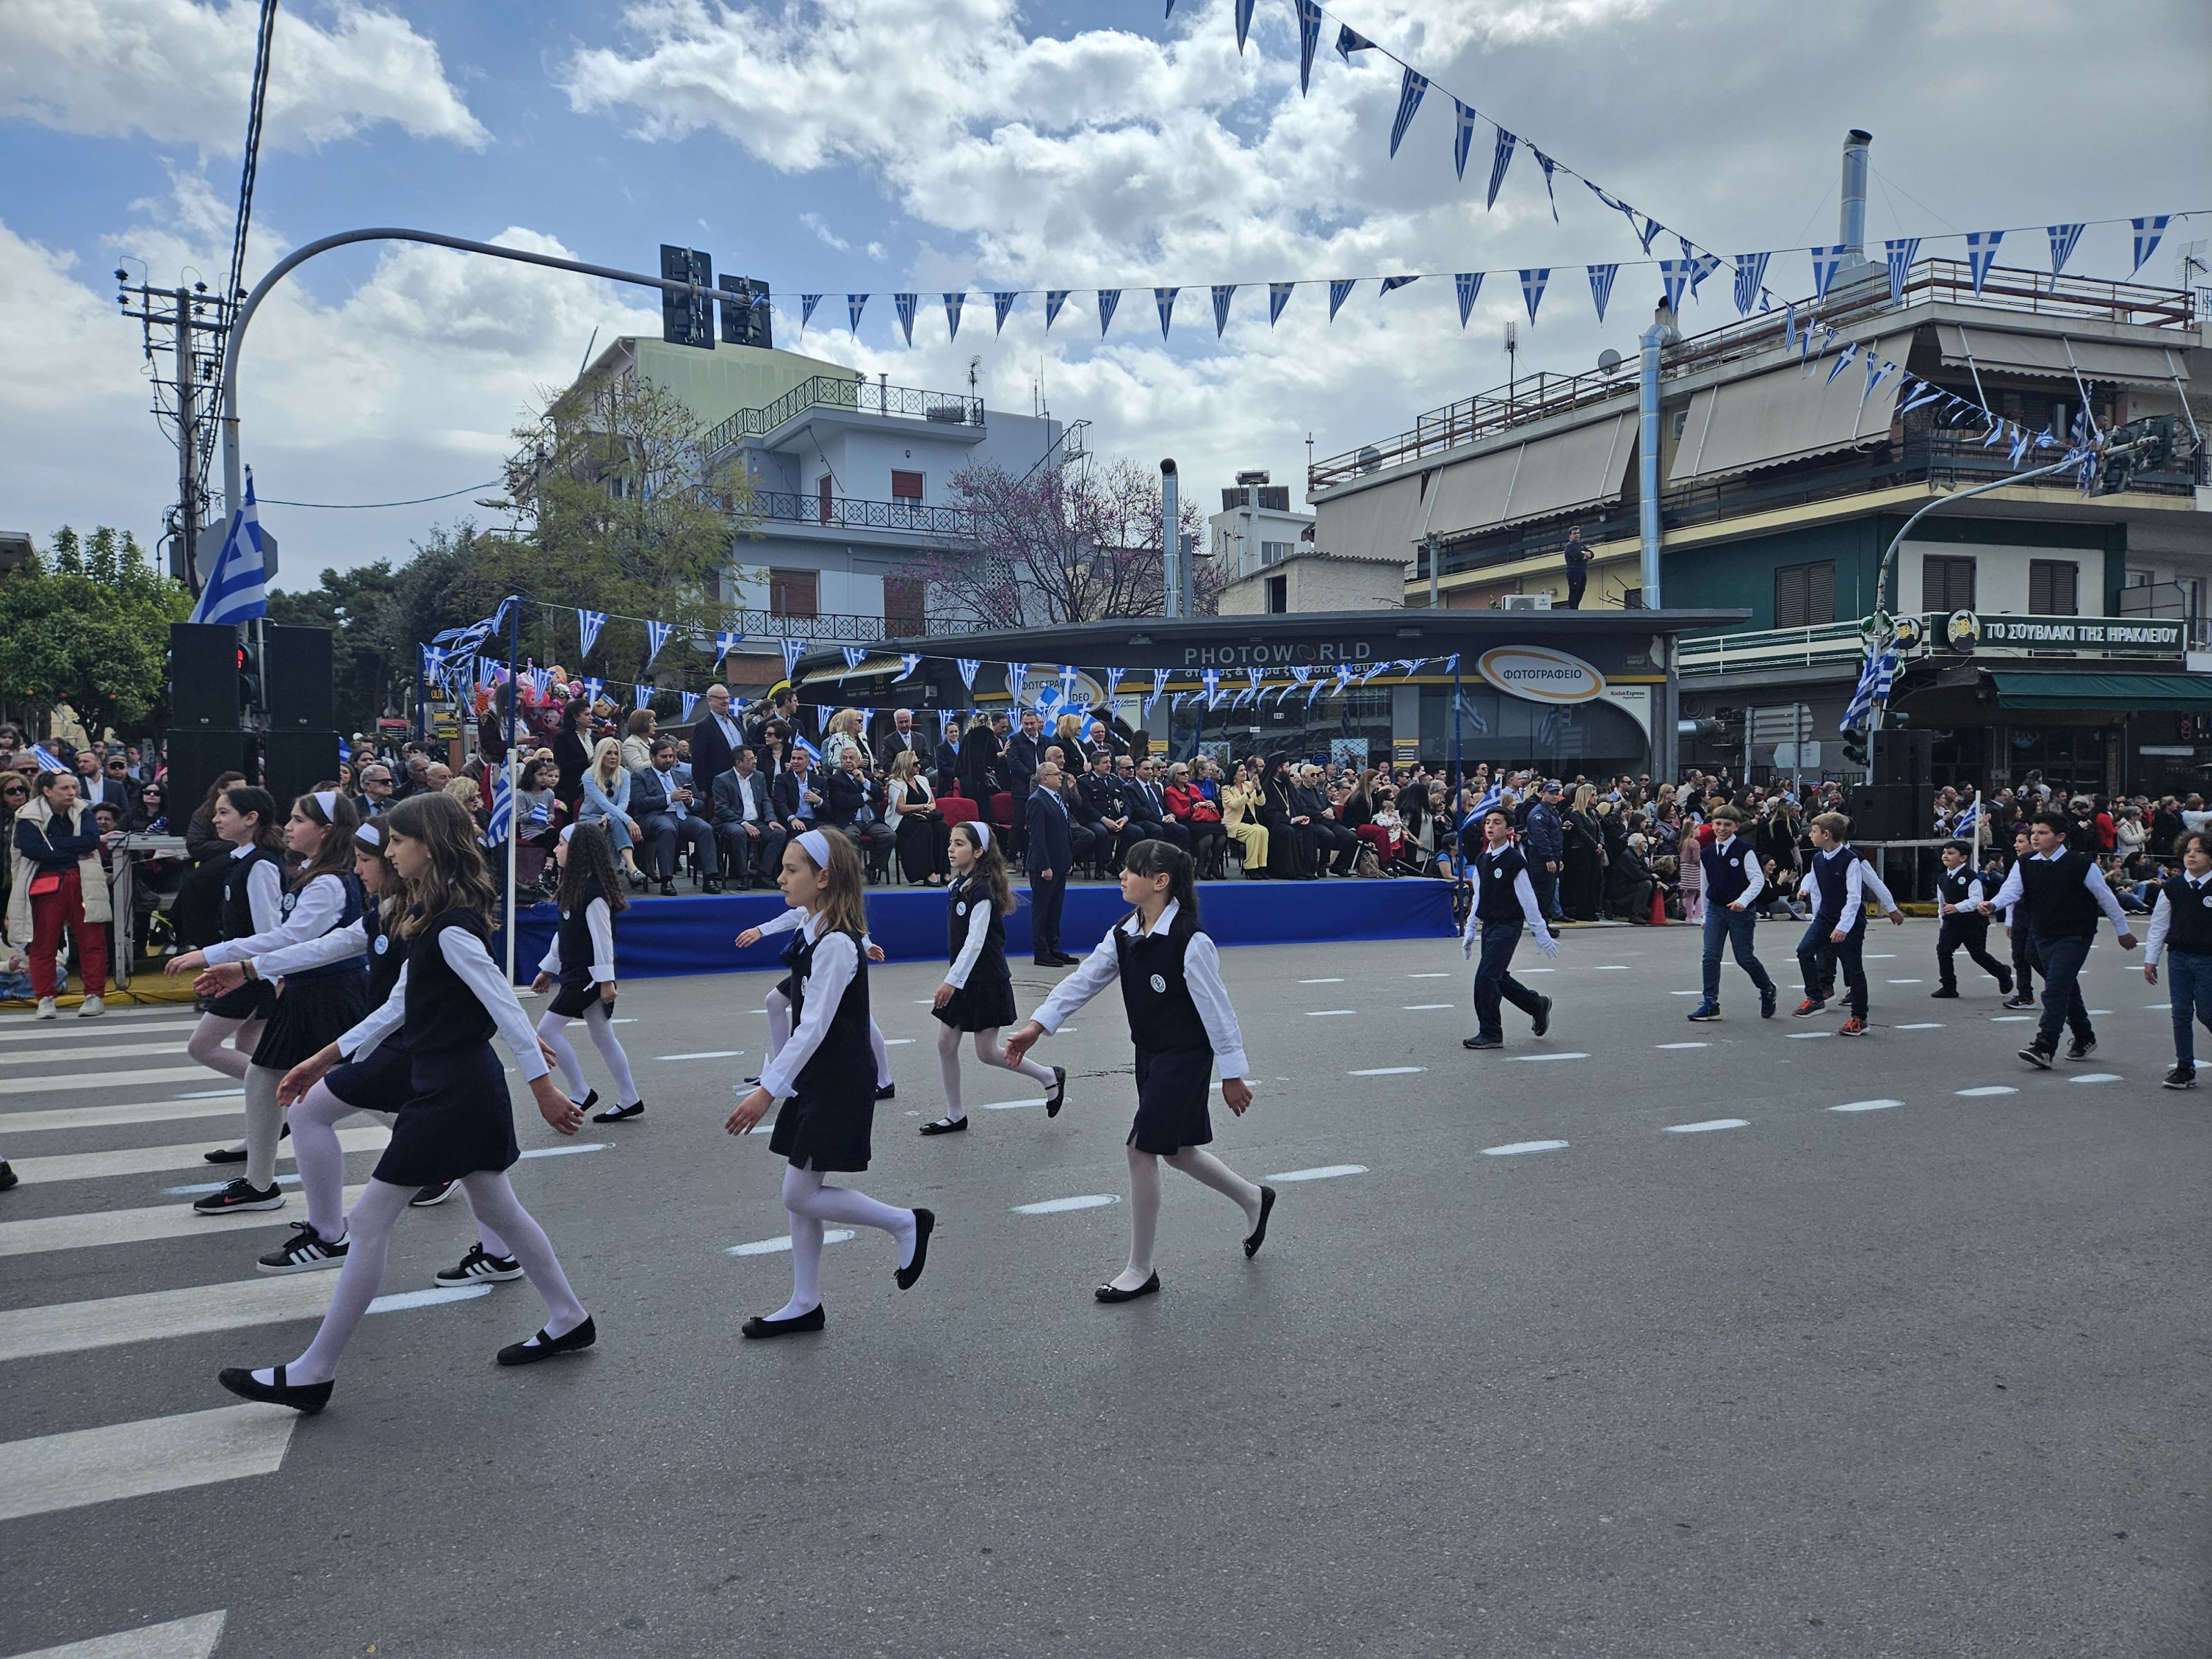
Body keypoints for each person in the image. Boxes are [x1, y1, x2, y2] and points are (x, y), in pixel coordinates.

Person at [218, 792, 594, 1412]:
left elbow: (504, 1003)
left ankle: (314, 1372)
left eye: (397, 842)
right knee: (500, 1211)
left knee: (369, 1222)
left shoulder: (450, 926)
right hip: (450, 1080)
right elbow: (401, 1005)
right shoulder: (430, 915)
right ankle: (569, 1316)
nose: (387, 853)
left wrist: (543, 1088)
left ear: (430, 846)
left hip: (454, 1089)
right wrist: (325, 1057)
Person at [200, 821, 516, 1284]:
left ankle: (329, 1236)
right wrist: (248, 969)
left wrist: (326, 1055)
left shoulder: (434, 916)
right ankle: (504, 1257)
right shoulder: (392, 911)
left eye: (374, 855)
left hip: (416, 1045)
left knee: (311, 1112)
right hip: (414, 1046)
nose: (367, 865)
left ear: (422, 852)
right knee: (475, 1163)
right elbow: (329, 945)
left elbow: (427, 999)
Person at [1006, 840, 1273, 1302]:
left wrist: (1232, 1075)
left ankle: (1140, 1269)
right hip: (1149, 1055)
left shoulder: (1191, 942)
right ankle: (1254, 1198)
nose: (1122, 877)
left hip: (1185, 1057)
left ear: (1160, 882)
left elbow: (1219, 1013)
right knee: (1176, 1152)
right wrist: (1037, 1025)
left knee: (1139, 1149)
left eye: (1131, 871)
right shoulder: (1126, 932)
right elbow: (1085, 978)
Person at [725, 832, 935, 1338]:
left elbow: (814, 1026)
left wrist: (767, 1088)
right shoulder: (816, 927)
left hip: (838, 1079)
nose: (781, 877)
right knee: (804, 1188)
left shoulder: (837, 943)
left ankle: (905, 1222)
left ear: (823, 878)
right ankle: (804, 1302)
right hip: (817, 1078)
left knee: (798, 1194)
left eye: (792, 869)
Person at [170, 789, 371, 1212]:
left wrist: (216, 956)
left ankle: (435, 1154)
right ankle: (258, 1184)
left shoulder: (329, 881)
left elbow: (288, 937)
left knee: (354, 1085)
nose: (290, 827)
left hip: (328, 993)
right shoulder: (316, 873)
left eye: (300, 820)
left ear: (326, 830)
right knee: (263, 1078)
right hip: (309, 989)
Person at [920, 823, 1068, 1135]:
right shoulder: (959, 884)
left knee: (986, 1052)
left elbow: (975, 941)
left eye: (959, 844)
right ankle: (955, 1114)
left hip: (985, 980)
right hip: (963, 978)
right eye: (950, 842)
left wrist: (951, 981)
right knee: (946, 1043)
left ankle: (1048, 1076)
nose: (950, 848)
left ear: (978, 852)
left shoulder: (983, 891)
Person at [1978, 810, 2139, 1070]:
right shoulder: (2026, 863)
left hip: (2075, 934)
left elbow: (2106, 898)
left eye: (2043, 833)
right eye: (2034, 833)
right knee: (2062, 984)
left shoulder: (2081, 865)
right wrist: (1993, 903)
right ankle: (2084, 1036)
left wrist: (2123, 930)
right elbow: (2011, 889)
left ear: (2060, 837)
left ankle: (2044, 1046)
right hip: (2042, 933)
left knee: (2054, 990)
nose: (2036, 837)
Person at [178, 787, 286, 1110]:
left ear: (251, 818)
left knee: (202, 1047)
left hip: (249, 974)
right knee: (251, 1049)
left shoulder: (260, 865)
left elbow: (270, 931)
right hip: (248, 971)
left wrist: (271, 974)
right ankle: (267, 1124)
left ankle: (287, 1093)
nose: (215, 819)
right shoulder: (239, 861)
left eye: (224, 813)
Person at [532, 823, 645, 1123]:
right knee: (603, 1036)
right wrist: (548, 968)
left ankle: (580, 1090)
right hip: (574, 972)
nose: (555, 850)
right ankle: (629, 1098)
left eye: (560, 844)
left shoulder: (594, 893)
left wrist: (606, 981)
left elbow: (603, 939)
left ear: (579, 851)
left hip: (589, 976)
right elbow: (564, 934)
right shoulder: (573, 887)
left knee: (546, 1031)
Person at [1788, 812, 1904, 1038]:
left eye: (1813, 831)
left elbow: (1855, 897)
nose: (1809, 835)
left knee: (1853, 969)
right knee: (1804, 951)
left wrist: (1846, 925)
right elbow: (1814, 880)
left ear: (1826, 834)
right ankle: (1816, 997)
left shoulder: (1851, 859)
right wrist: (1807, 893)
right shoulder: (1818, 858)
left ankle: (1860, 1018)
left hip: (1849, 921)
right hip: (1824, 917)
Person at [9, 769, 111, 1019]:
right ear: (47, 790)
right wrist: (71, 850)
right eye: (65, 788)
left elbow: (90, 840)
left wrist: (54, 844)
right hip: (46, 881)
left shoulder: (84, 810)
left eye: (73, 787)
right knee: (43, 943)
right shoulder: (27, 815)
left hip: (83, 879)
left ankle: (94, 995)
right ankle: (44, 997)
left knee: (92, 941)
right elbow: (33, 850)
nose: (72, 793)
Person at [1459, 805, 1560, 1050]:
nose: (1491, 827)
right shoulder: (1483, 860)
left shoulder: (1515, 860)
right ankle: (1536, 1004)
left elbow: (1528, 899)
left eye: (1497, 823)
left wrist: (1541, 932)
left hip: (1508, 925)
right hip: (1491, 925)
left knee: (1485, 978)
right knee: (1498, 977)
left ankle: (1491, 1032)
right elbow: (1479, 896)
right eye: (1488, 823)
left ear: (1509, 829)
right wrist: (1471, 928)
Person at [1687, 803, 1779, 1022]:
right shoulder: (1707, 853)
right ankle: (1710, 1002)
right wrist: (1705, 915)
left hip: (1740, 911)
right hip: (1717, 910)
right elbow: (1705, 885)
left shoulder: (1744, 850)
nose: (1721, 828)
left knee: (1744, 957)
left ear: (1736, 826)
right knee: (1710, 956)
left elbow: (1757, 879)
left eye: (1727, 825)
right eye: (1718, 824)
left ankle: (1767, 988)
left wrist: (1743, 900)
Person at [2142, 829, 2212, 1089]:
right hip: (2179, 957)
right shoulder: (2172, 888)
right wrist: (2151, 959)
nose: (2192, 856)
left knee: (2207, 1012)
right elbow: (2159, 926)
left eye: (2200, 851)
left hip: (2208, 958)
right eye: (2187, 851)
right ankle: (2185, 1066)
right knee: (2180, 1012)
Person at [632, 737, 721, 894]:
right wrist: (669, 798)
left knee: (706, 828)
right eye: (664, 757)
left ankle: (710, 879)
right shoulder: (640, 777)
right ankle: (666, 881)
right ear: (652, 757)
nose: (668, 760)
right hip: (656, 817)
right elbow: (640, 803)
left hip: (684, 817)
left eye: (671, 757)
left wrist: (690, 801)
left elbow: (701, 804)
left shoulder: (683, 776)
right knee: (666, 828)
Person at [1932, 838, 2013, 1000]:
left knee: (1978, 954)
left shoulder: (1971, 877)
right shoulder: (1943, 878)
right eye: (1944, 853)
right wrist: (1943, 918)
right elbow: (1942, 901)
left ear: (1963, 858)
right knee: (1943, 950)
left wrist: (1958, 907)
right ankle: (1949, 986)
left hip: (1972, 923)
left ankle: (2002, 972)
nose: (1946, 856)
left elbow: (1976, 900)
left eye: (1951, 853)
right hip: (1951, 923)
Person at [1025, 760, 1078, 967]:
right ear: (1044, 778)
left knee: (1055, 909)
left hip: (1060, 863)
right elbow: (1037, 837)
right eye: (1056, 774)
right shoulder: (1037, 800)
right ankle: (1041, 951)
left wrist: (1068, 859)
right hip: (1044, 866)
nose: (1061, 777)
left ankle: (1054, 948)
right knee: (1042, 909)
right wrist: (1045, 865)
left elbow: (1064, 833)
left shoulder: (1058, 799)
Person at [711, 746, 785, 888]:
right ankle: (742, 877)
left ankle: (762, 876)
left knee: (779, 834)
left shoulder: (759, 776)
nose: (755, 762)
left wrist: (771, 819)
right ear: (739, 763)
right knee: (739, 833)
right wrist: (744, 823)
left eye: (755, 758)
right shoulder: (722, 780)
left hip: (756, 821)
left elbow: (765, 800)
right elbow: (722, 809)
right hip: (731, 821)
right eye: (751, 759)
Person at [577, 736, 646, 888]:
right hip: (589, 818)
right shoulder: (588, 776)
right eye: (609, 753)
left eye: (616, 753)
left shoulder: (624, 774)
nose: (613, 757)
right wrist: (628, 820)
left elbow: (623, 803)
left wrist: (610, 816)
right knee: (615, 822)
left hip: (614, 816)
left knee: (613, 821)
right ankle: (628, 868)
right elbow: (603, 803)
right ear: (601, 754)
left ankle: (611, 873)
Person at [886, 749, 948, 886]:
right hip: (903, 820)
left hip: (924, 816)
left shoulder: (923, 780)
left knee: (942, 827)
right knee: (923, 828)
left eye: (918, 763)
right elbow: (901, 808)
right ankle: (927, 873)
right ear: (906, 765)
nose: (919, 767)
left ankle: (944, 871)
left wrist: (924, 809)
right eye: (915, 764)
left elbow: (933, 803)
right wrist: (922, 807)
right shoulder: (895, 783)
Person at [1998, 822, 2039, 1009]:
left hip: (2038, 916)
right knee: (2019, 957)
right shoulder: (2019, 863)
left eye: (2021, 841)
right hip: (2021, 915)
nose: (2016, 845)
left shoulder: (2044, 863)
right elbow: (2010, 893)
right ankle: (2025, 996)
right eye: (2016, 841)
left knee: (2035, 956)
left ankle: (2061, 990)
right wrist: (2010, 921)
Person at [1163, 761, 1226, 878]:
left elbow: (1203, 802)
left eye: (1187, 773)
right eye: (1182, 773)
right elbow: (1179, 813)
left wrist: (1210, 804)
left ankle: (1214, 865)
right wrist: (1193, 808)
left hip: (1202, 818)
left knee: (1221, 831)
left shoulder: (1193, 788)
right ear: (1174, 776)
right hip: (1187, 820)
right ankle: (1200, 866)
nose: (1186, 775)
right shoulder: (1169, 792)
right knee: (1207, 835)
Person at [690, 683, 744, 803]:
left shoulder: (736, 720)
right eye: (721, 698)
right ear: (710, 700)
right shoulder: (703, 726)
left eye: (727, 697)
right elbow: (698, 759)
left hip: (744, 777)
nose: (725, 701)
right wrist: (702, 787)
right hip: (720, 782)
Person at [1219, 760, 1269, 878]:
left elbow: (1261, 802)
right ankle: (1250, 867)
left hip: (1250, 821)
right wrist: (1249, 792)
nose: (1244, 773)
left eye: (1244, 770)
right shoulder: (1226, 789)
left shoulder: (1248, 785)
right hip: (1234, 823)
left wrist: (1258, 788)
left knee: (1263, 831)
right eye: (1240, 770)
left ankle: (1261, 866)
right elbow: (1235, 804)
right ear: (1234, 774)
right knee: (1255, 832)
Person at [551, 699, 595, 813]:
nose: (591, 718)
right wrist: (587, 762)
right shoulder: (563, 737)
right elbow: (560, 764)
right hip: (572, 787)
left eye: (591, 714)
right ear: (576, 717)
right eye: (587, 714)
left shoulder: (595, 737)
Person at [619, 708, 659, 775]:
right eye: (651, 722)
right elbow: (638, 768)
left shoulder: (652, 741)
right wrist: (658, 760)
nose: (656, 724)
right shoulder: (630, 743)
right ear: (641, 723)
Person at [1560, 526, 1591, 609]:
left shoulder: (1581, 546)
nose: (1577, 535)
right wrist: (1585, 555)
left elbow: (1592, 554)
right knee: (1574, 590)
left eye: (1578, 533)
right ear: (1570, 535)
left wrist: (1585, 553)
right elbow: (1580, 556)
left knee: (1581, 590)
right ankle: (1572, 609)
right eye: (1574, 533)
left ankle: (1576, 607)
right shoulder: (1570, 546)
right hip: (1573, 571)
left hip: (1582, 570)